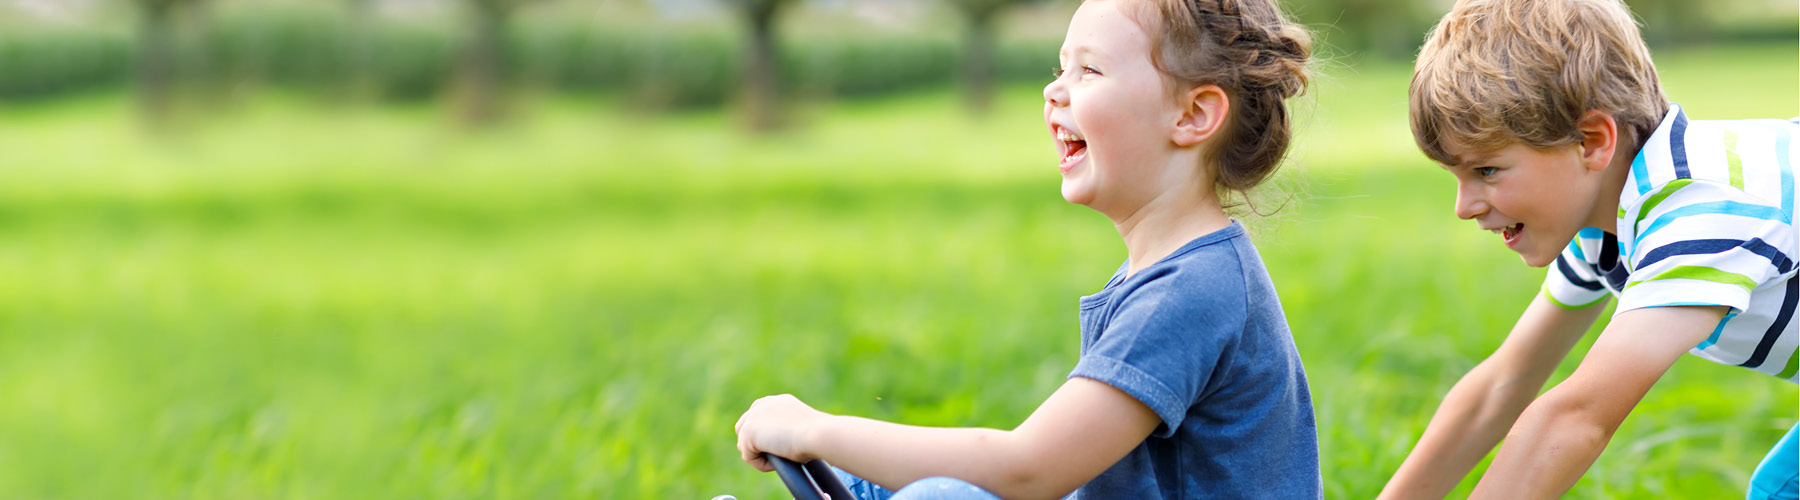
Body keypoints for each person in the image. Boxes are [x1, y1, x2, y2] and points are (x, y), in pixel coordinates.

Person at [730, 0, 1320, 498]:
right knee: (890, 482)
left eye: (1088, 71)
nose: (1053, 90)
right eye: (1058, 67)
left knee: (940, 494)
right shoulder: (1180, 271)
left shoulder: (1192, 290)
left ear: (1193, 115)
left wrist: (816, 430)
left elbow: (1029, 469)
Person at [1378, 0, 1800, 498]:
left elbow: (1576, 418)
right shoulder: (1606, 231)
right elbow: (1502, 386)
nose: (1464, 206)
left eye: (1486, 170)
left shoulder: (1702, 211)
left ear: (1592, 141)